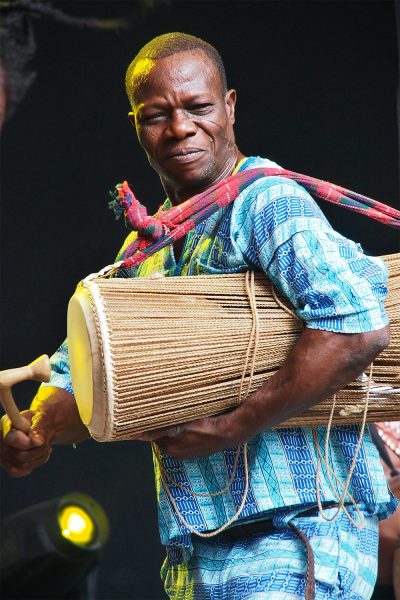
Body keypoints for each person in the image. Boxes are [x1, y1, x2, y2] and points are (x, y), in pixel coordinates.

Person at [0, 33, 397, 599]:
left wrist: (230, 427)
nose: (180, 127)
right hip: (198, 556)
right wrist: (36, 431)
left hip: (297, 536)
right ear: (136, 124)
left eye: (198, 108)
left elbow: (357, 326)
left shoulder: (266, 203)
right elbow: (80, 384)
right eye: (156, 115)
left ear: (230, 107)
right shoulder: (147, 252)